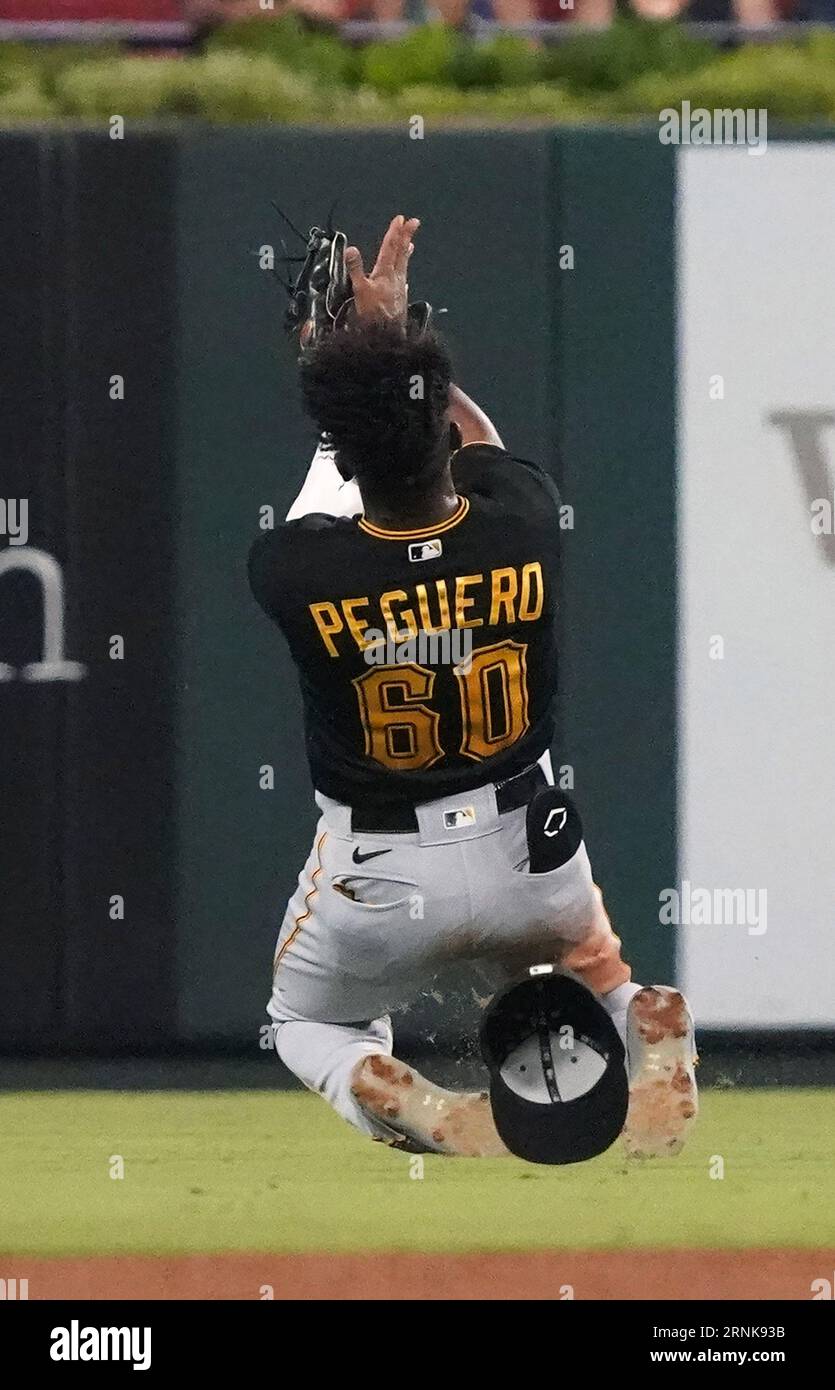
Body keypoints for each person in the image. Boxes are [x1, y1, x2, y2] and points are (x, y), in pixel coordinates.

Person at [248, 214, 697, 1158]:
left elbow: (341, 478)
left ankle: (394, 1086)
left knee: (306, 1026)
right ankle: (634, 1010)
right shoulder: (522, 524)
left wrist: (341, 365)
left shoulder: (296, 570)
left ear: (344, 438)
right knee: (593, 969)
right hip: (528, 846)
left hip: (378, 879)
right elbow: (469, 434)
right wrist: (398, 350)